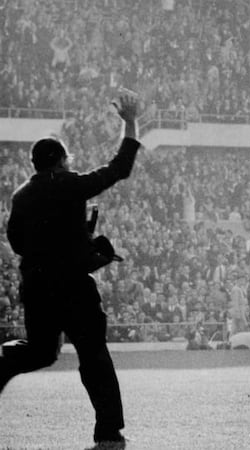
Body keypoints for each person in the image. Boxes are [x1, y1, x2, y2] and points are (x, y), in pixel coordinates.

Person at [0, 91, 141, 446]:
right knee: (93, 355)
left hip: (37, 285)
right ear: (61, 160)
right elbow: (119, 168)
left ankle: (1, 361)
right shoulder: (72, 184)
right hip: (73, 287)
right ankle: (108, 429)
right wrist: (130, 121)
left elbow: (17, 243)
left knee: (41, 352)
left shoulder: (20, 196)